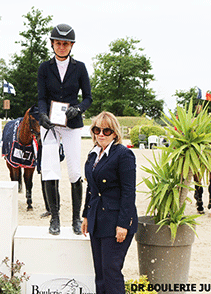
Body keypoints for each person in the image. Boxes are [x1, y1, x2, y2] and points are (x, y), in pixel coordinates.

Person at [37, 23, 92, 235]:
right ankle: (55, 218)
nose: (61, 47)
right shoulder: (44, 68)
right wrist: (42, 115)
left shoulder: (80, 68)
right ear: (52, 44)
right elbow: (42, 97)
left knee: (74, 171)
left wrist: (77, 109)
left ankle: (76, 219)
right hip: (50, 123)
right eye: (58, 43)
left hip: (71, 124)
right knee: (50, 169)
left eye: (66, 44)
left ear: (71, 46)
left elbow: (88, 97)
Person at [81, 111, 137, 294]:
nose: (101, 134)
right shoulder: (93, 155)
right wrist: (86, 216)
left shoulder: (123, 154)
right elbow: (91, 188)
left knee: (111, 271)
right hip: (97, 219)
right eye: (97, 130)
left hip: (116, 221)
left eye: (106, 131)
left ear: (115, 133)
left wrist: (123, 224)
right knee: (100, 273)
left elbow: (129, 192)